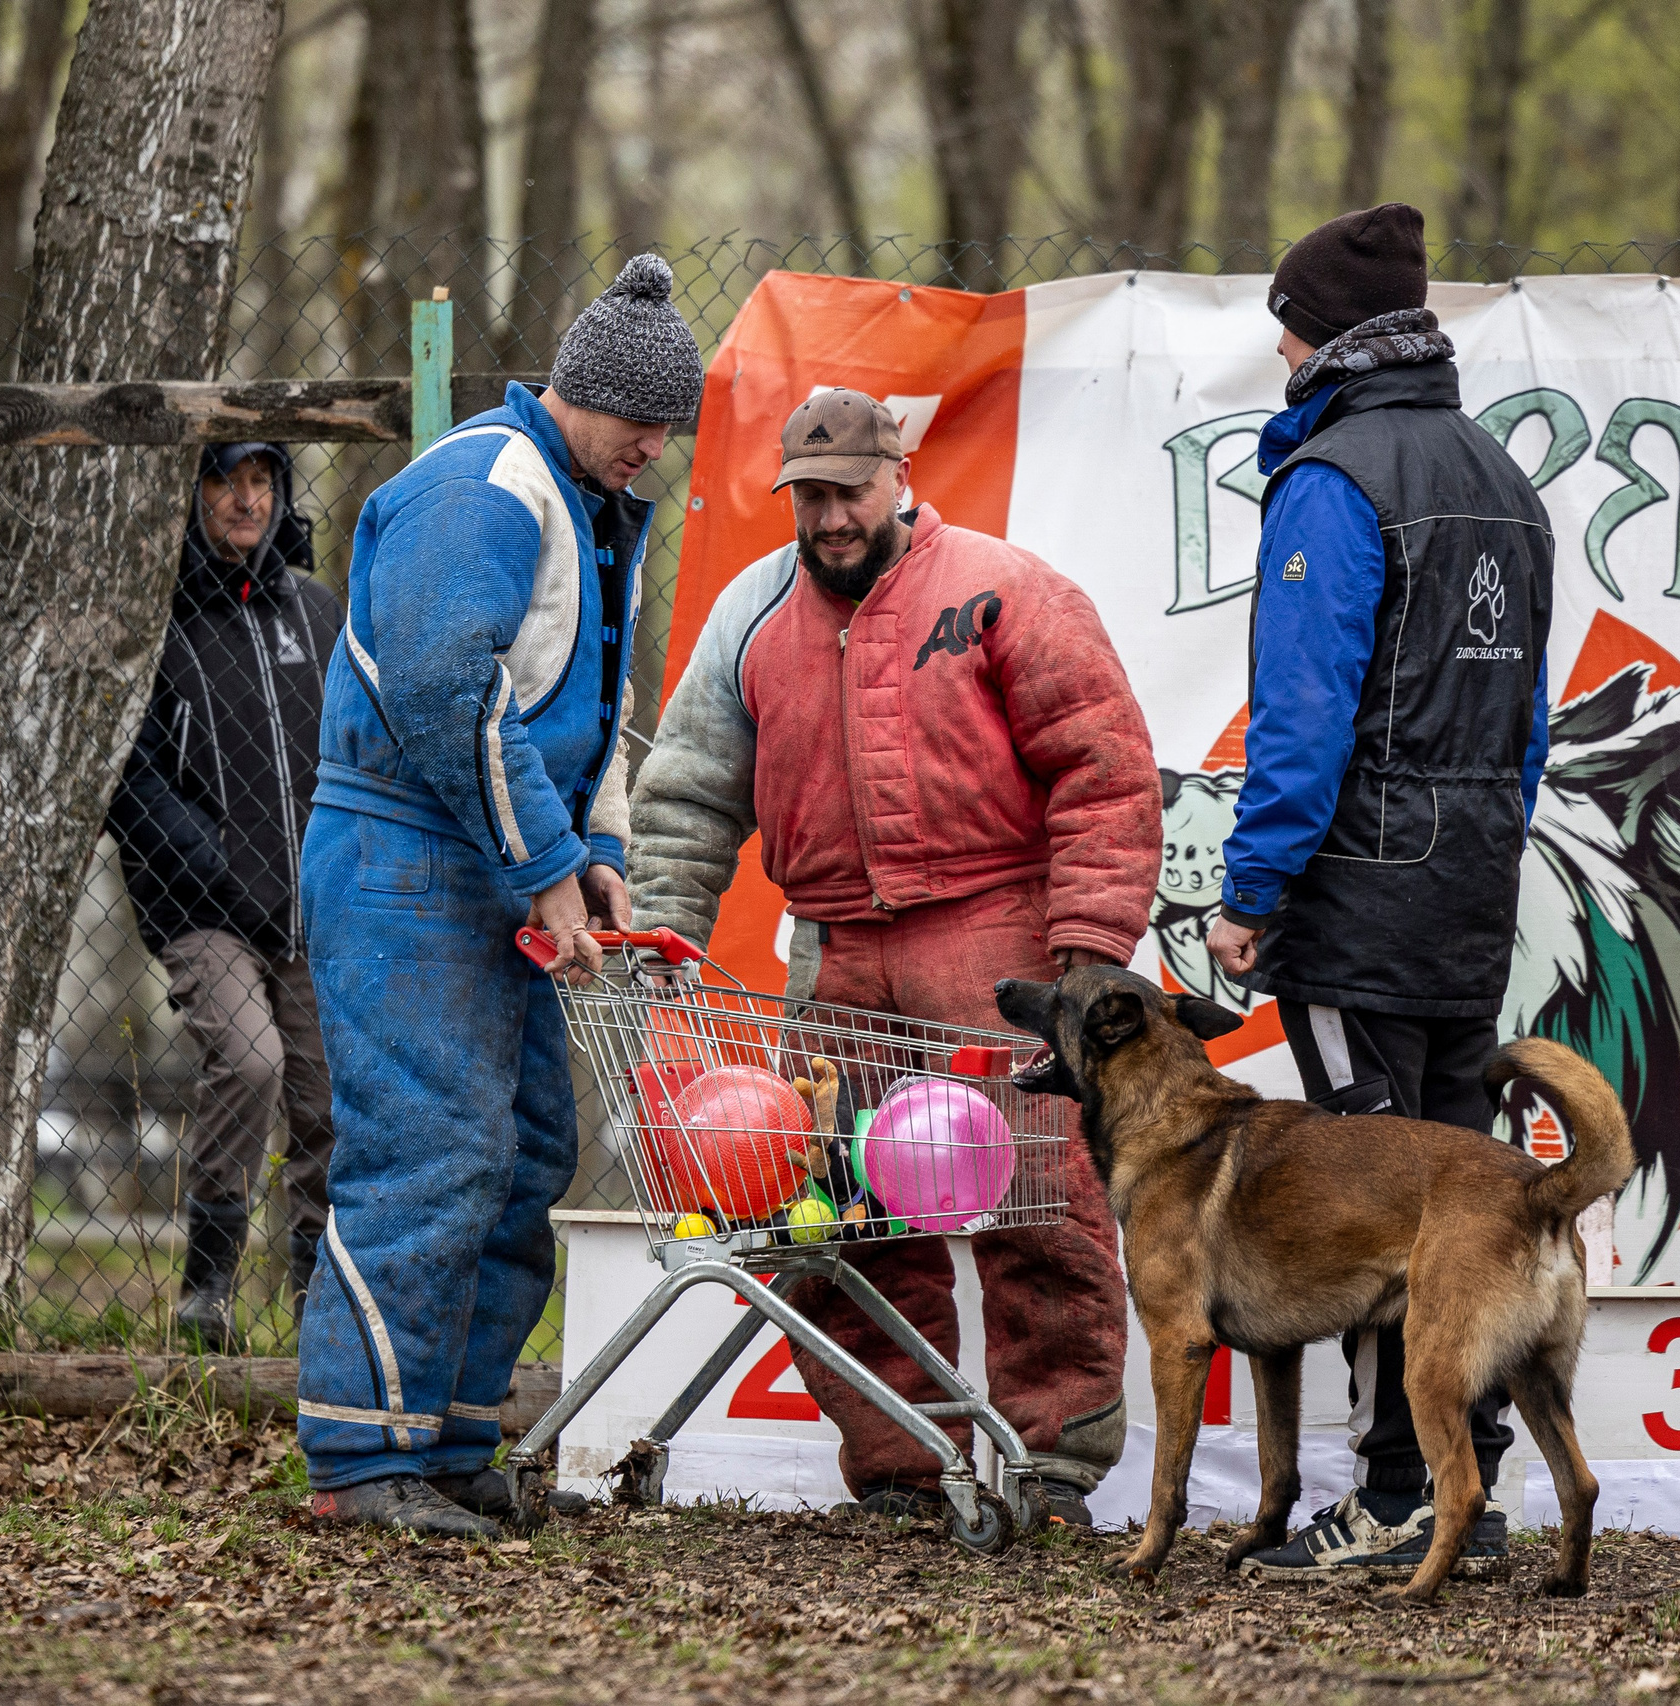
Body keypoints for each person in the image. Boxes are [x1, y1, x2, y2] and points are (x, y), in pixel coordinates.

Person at [629, 388, 1161, 1527]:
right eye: (808, 495)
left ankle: (1051, 1464)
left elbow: (1102, 770)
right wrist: (664, 939)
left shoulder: (1007, 591)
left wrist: (1085, 952)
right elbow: (683, 795)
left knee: (1041, 1208)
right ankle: (899, 1463)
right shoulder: (750, 614)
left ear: (899, 476)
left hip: (998, 934)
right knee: (835, 1216)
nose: (827, 517)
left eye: (848, 491)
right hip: (833, 950)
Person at [294, 255, 700, 1539]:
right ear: (582, 394)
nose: (656, 446)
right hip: (403, 854)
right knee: (431, 1148)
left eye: (667, 427)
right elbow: (437, 686)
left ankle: (453, 1436)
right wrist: (545, 868)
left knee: (521, 1151)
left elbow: (586, 713)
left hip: (486, 855)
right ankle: (364, 1457)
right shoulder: (486, 487)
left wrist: (599, 858)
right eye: (641, 420)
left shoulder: (588, 503)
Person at [1202, 203, 1554, 1577]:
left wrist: (1252, 889)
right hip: (1471, 894)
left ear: (1327, 338)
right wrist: (1480, 846)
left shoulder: (1335, 481)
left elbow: (1302, 719)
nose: (1277, 345)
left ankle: (1404, 1493)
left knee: (1373, 1205)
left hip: (1356, 903)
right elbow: (1525, 729)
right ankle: (1472, 1492)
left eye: (1287, 321)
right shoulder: (1506, 482)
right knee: (1466, 1198)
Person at [107, 443, 342, 1353]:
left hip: (311, 906)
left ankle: (318, 1302)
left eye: (261, 483)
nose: (246, 501)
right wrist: (222, 864)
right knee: (251, 1065)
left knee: (328, 1099)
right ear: (192, 492)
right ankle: (208, 1288)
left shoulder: (315, 611)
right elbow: (132, 784)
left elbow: (357, 746)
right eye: (223, 482)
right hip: (203, 909)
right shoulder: (155, 619)